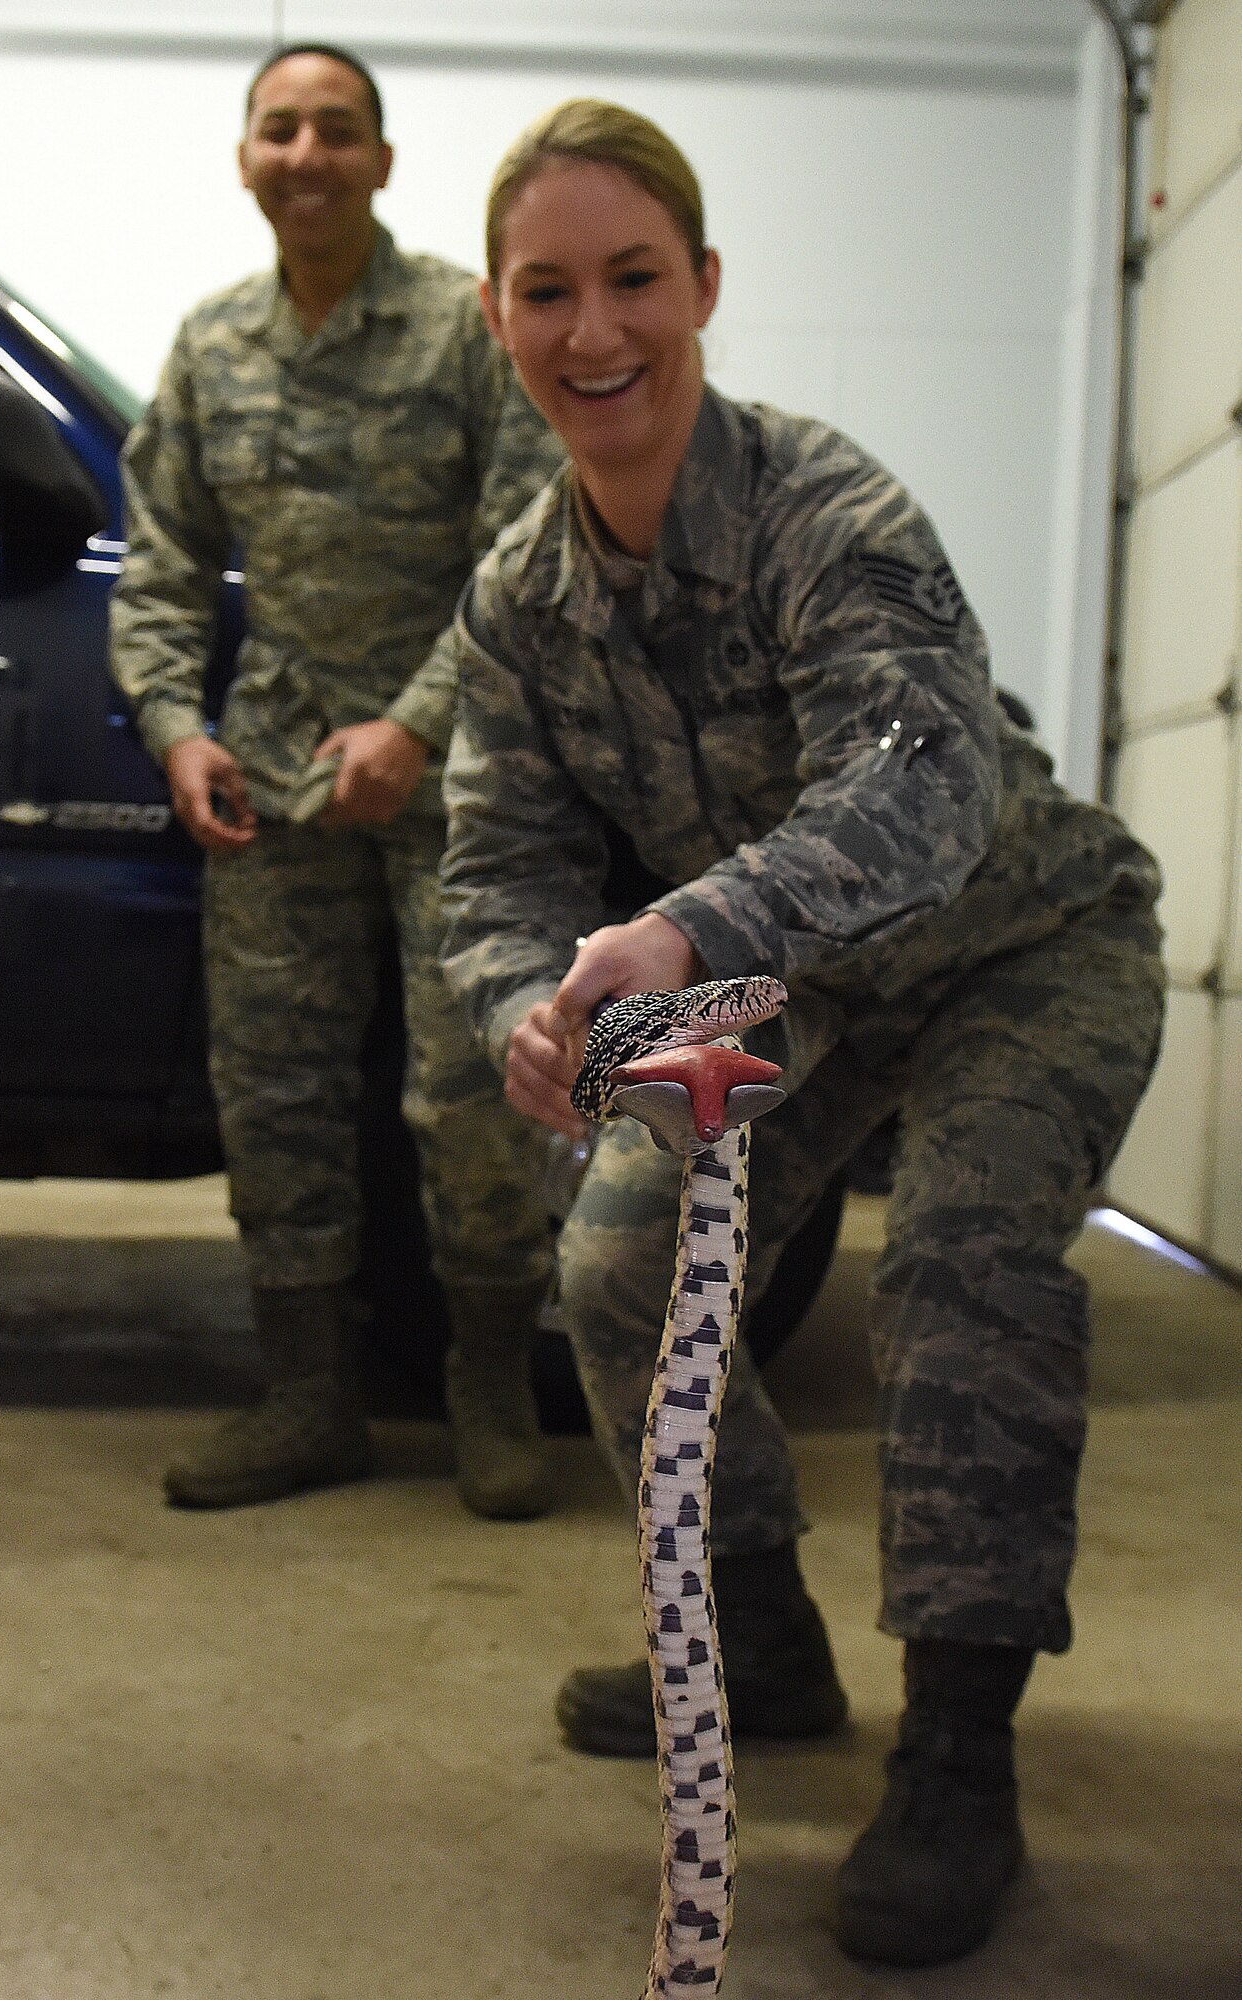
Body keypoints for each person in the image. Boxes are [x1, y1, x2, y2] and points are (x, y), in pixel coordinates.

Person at [438, 99, 1165, 1966]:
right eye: (548, 291)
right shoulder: (520, 598)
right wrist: (529, 1008)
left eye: (631, 280)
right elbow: (496, 862)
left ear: (701, 289)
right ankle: (757, 1647)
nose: (594, 332)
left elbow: (926, 788)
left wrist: (680, 935)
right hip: (794, 990)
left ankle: (957, 1749)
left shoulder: (828, 508)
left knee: (961, 1268)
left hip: (1023, 947)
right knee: (613, 1265)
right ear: (501, 321)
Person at [109, 44, 566, 1520]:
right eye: (279, 128)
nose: (306, 152)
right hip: (274, 782)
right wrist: (178, 724)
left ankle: (488, 1394)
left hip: (461, 782)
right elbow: (162, 566)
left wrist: (418, 727)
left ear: (380, 160)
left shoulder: (461, 330)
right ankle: (307, 1399)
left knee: (475, 1094)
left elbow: (523, 554)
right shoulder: (213, 345)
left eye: (337, 130)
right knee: (278, 1094)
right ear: (247, 159)